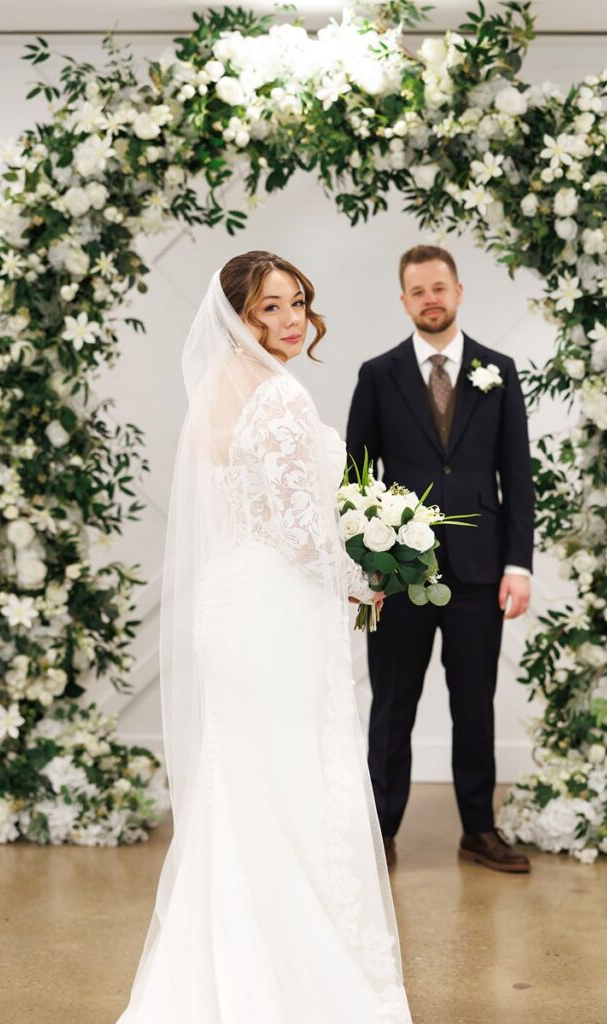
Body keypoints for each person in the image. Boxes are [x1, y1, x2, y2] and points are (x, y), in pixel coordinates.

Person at [116, 251, 412, 1023]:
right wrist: (361, 578)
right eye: (268, 309)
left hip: (233, 604)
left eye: (297, 304)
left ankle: (223, 962)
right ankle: (294, 976)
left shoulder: (212, 390)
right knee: (291, 784)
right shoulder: (278, 396)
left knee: (245, 782)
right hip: (275, 607)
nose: (290, 321)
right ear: (238, 318)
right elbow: (295, 528)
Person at [346, 244, 534, 874]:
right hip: (399, 575)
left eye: (439, 287)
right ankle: (382, 833)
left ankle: (479, 830)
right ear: (404, 301)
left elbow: (518, 478)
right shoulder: (378, 374)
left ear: (459, 292)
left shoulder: (498, 371)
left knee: (473, 703)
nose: (430, 298)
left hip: (481, 573)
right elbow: (356, 476)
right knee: (392, 704)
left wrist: (520, 564)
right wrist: (365, 571)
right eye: (417, 290)